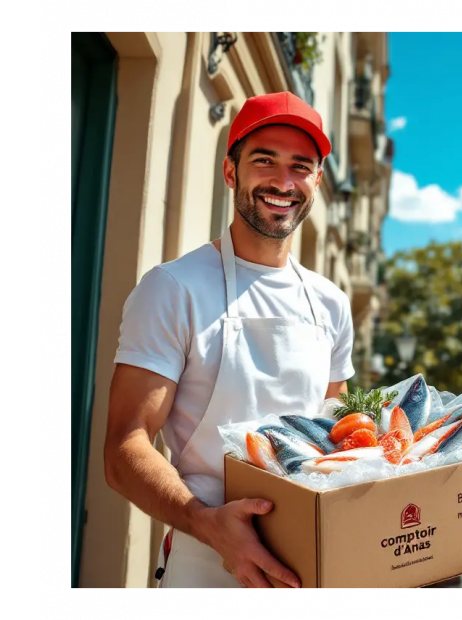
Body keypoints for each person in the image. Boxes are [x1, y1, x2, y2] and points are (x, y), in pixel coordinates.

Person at [103, 92, 354, 589]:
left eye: (300, 167)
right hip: (203, 559)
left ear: (317, 181)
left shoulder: (330, 303)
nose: (283, 182)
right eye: (264, 160)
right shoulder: (173, 288)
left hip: (308, 563)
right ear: (230, 171)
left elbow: (337, 436)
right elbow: (123, 447)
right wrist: (207, 525)